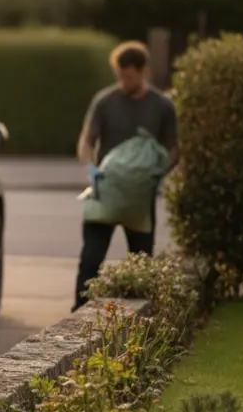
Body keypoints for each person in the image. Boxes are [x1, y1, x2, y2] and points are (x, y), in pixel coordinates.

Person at [72, 41, 179, 311]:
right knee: (90, 258)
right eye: (119, 76)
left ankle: (143, 316)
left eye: (128, 77)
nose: (123, 82)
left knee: (141, 262)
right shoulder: (105, 101)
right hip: (106, 189)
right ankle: (79, 309)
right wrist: (91, 169)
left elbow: (174, 149)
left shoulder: (162, 106)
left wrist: (157, 175)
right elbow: (86, 140)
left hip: (140, 196)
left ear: (143, 71)